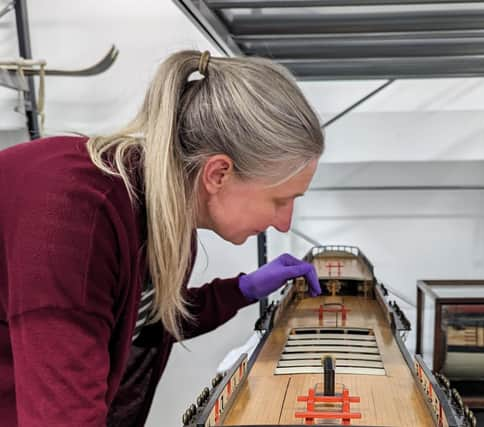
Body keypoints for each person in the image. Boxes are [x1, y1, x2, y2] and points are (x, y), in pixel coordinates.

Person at [0, 50, 324, 427]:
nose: (285, 223)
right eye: (280, 200)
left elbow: (142, 322)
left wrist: (244, 289)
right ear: (218, 173)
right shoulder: (77, 216)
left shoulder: (163, 216)